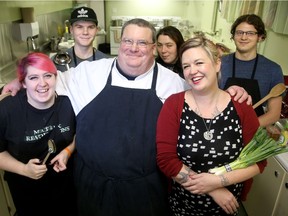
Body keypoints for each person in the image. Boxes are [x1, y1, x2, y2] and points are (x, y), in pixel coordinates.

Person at [2, 19, 250, 216]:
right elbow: (46, 79)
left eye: (142, 43)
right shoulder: (88, 73)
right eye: (128, 41)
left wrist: (230, 90)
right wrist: (19, 81)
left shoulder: (173, 84)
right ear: (118, 42)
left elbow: (205, 95)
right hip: (91, 186)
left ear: (153, 48)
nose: (134, 48)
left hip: (145, 190)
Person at [156, 36, 267, 216]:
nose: (192, 71)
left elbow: (259, 160)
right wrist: (213, 189)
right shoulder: (173, 105)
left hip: (227, 207)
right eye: (186, 66)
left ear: (217, 64)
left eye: (199, 62)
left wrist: (218, 181)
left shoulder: (241, 106)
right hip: (182, 207)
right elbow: (166, 159)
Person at [0, 53, 77, 216]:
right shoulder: (7, 110)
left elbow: (80, 133)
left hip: (66, 187)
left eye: (48, 76)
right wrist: (23, 169)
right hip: (26, 192)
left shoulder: (68, 103)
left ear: (56, 77)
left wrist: (67, 152)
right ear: (23, 83)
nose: (42, 84)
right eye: (33, 78)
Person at [219, 14, 284, 127]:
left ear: (260, 37)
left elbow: (274, 114)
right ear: (233, 36)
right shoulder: (219, 64)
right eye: (239, 32)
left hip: (254, 134)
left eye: (250, 33)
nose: (244, 37)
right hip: (219, 127)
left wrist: (245, 127)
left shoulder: (273, 70)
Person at [53, 6, 108, 72]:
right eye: (79, 27)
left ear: (96, 30)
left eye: (90, 27)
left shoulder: (106, 62)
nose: (85, 32)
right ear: (71, 30)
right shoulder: (57, 62)